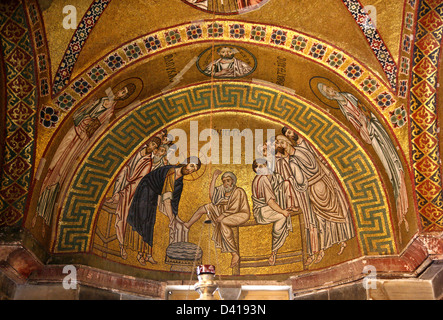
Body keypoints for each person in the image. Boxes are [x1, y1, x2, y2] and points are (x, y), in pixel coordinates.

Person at [35, 84, 137, 235]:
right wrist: (84, 118)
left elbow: (96, 133)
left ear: (124, 98)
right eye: (122, 89)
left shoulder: (110, 113)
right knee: (53, 165)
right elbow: (76, 115)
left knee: (60, 175)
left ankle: (45, 216)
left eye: (124, 93)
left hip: (81, 141)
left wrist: (90, 126)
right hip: (73, 133)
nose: (121, 92)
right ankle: (36, 209)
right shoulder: (98, 101)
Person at [317, 83, 409, 232]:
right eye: (327, 92)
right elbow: (356, 124)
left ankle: (400, 184)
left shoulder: (351, 96)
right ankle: (398, 194)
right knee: (387, 166)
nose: (330, 91)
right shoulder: (342, 107)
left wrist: (367, 124)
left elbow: (365, 111)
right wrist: (365, 129)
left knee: (392, 158)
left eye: (329, 88)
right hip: (370, 134)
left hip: (376, 128)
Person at [282, 127, 355, 262]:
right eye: (288, 135)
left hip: (320, 183)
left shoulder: (305, 146)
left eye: (290, 133)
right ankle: (327, 246)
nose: (291, 136)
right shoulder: (296, 152)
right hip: (314, 187)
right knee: (322, 218)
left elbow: (316, 164)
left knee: (331, 212)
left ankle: (340, 241)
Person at [126, 157, 202, 265]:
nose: (191, 170)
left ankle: (147, 254)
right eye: (191, 166)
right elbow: (166, 200)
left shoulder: (179, 183)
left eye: (194, 170)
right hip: (146, 189)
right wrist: (171, 219)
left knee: (150, 222)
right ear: (186, 163)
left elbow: (174, 203)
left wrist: (176, 218)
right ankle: (139, 254)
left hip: (153, 194)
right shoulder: (171, 172)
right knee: (142, 219)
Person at [107, 136, 161, 259]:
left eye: (155, 147)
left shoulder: (148, 162)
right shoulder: (135, 152)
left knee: (128, 206)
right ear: (148, 142)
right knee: (123, 170)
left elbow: (139, 180)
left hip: (134, 189)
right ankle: (115, 194)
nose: (152, 147)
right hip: (126, 179)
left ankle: (120, 195)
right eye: (152, 144)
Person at [184, 170, 250, 268]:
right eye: (224, 181)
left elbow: (235, 207)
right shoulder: (223, 190)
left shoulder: (238, 191)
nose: (226, 183)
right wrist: (214, 178)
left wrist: (222, 216)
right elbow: (212, 197)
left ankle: (234, 253)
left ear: (233, 181)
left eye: (228, 181)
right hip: (226, 213)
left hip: (240, 213)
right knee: (207, 207)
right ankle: (188, 225)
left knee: (223, 222)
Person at [251, 159, 295, 265]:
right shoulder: (262, 179)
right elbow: (270, 202)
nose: (259, 169)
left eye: (262, 166)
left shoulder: (259, 179)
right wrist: (282, 211)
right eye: (257, 167)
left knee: (285, 185)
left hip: (262, 211)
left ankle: (274, 251)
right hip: (262, 212)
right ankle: (274, 251)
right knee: (282, 217)